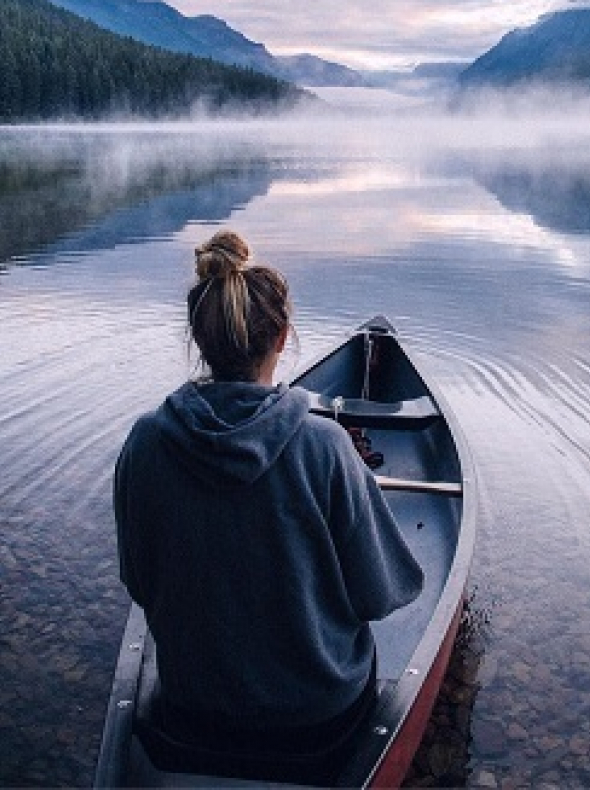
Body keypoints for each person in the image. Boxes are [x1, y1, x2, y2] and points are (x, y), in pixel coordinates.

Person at [113, 229, 423, 770]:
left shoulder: (145, 443)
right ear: (281, 339)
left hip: (191, 710)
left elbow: (141, 582)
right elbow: (381, 595)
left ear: (199, 338)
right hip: (316, 720)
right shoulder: (324, 446)